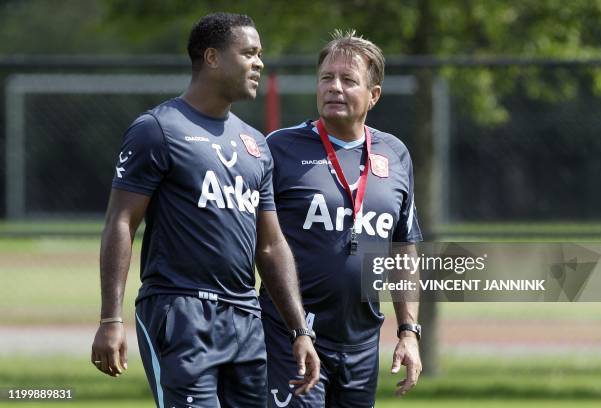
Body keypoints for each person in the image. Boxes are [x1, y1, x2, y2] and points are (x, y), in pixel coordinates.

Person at [90, 12, 319, 408]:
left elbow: (271, 245)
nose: (259, 63)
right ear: (212, 58)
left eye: (260, 54)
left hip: (246, 317)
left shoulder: (255, 144)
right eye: (248, 52)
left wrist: (299, 330)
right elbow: (122, 222)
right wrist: (111, 319)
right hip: (179, 310)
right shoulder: (157, 129)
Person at [260, 30, 423, 407]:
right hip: (291, 337)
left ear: (374, 96)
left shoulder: (395, 154)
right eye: (326, 78)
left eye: (348, 80)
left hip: (363, 344)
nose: (334, 87)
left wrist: (409, 331)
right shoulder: (280, 148)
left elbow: (403, 248)